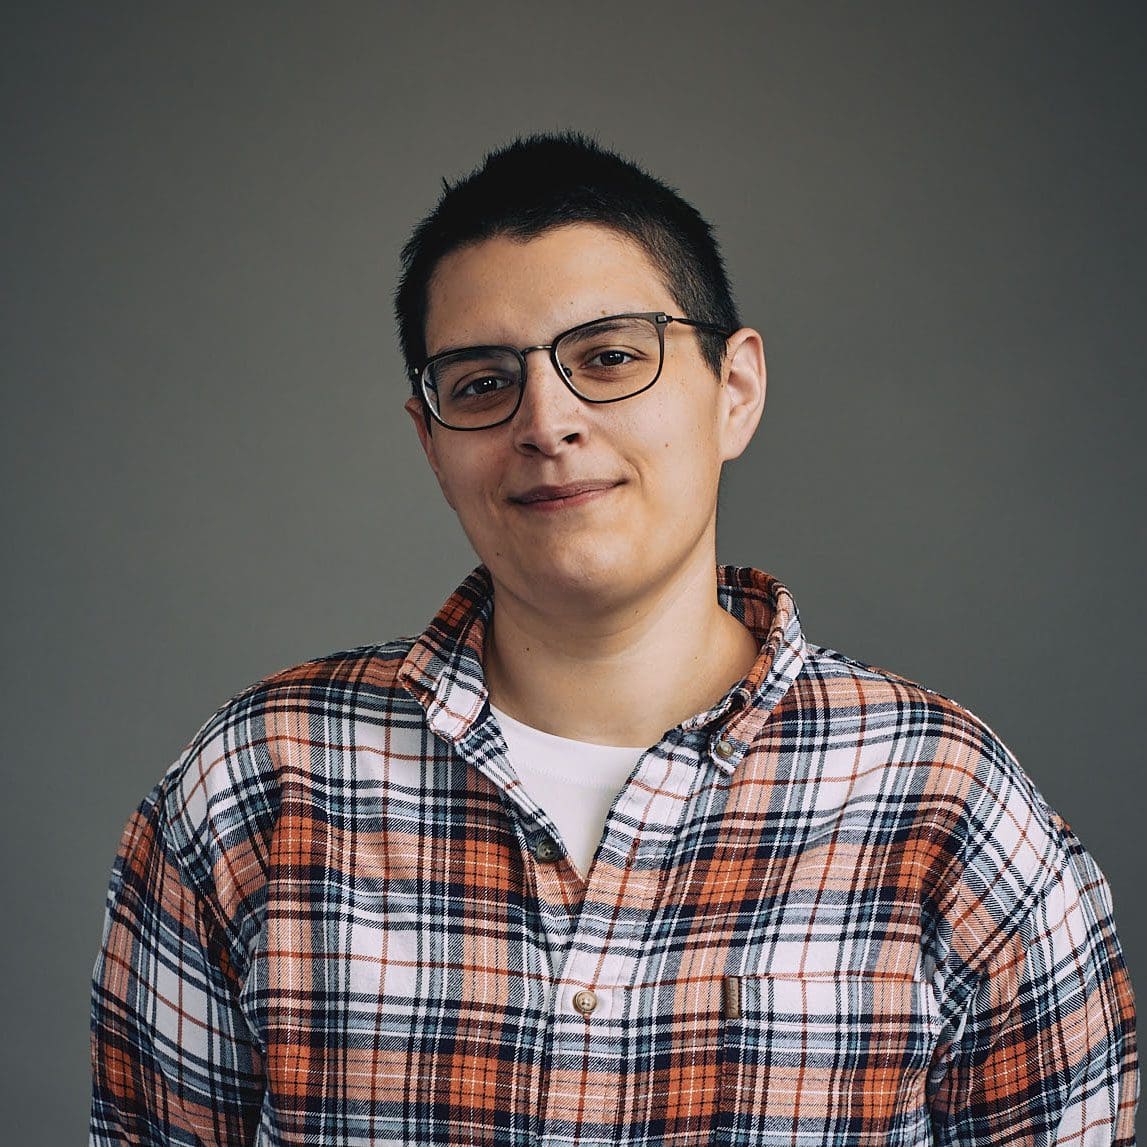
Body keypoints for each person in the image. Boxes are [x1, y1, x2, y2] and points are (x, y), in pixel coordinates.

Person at [91, 133, 1138, 1145]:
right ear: (430, 439)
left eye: (608, 356)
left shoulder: (945, 801)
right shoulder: (259, 786)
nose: (546, 421)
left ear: (734, 390)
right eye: (481, 383)